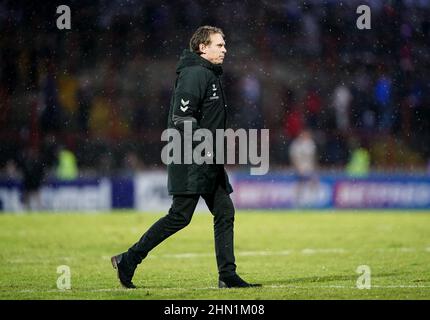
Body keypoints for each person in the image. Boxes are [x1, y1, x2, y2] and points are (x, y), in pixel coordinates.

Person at [111, 26, 261, 289]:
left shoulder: (207, 74)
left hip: (206, 158)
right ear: (203, 48)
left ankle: (227, 275)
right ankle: (129, 260)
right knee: (180, 216)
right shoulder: (195, 74)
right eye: (219, 45)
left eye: (224, 44)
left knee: (224, 211)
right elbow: (182, 118)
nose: (225, 49)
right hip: (191, 158)